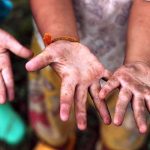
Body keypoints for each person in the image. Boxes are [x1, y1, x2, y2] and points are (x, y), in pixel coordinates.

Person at [26, 0, 150, 149]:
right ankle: (55, 141)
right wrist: (62, 39)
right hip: (58, 52)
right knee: (55, 107)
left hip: (127, 58)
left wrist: (139, 60)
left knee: (126, 118)